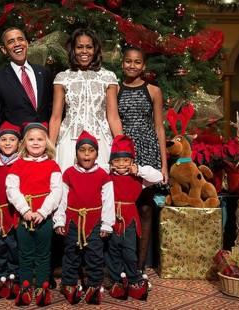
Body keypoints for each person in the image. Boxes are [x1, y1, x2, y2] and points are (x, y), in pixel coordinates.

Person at [117, 46, 168, 271]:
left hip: (147, 152)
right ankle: (121, 261)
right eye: (128, 61)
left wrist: (164, 165)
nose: (132, 65)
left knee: (145, 207)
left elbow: (159, 127)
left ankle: (140, 265)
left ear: (143, 66)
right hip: (124, 154)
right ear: (122, 63)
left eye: (137, 62)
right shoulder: (115, 89)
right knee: (123, 205)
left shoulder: (153, 90)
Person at [53, 130, 115, 305]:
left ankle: (94, 285)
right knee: (71, 254)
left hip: (94, 222)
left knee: (95, 255)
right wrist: (59, 219)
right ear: (76, 153)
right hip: (73, 221)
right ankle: (69, 284)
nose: (86, 154)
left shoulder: (103, 175)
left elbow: (108, 201)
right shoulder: (68, 174)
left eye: (91, 150)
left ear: (97, 153)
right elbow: (62, 199)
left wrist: (107, 224)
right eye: (82, 150)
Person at [49, 28, 123, 172]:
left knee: (101, 187)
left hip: (101, 140)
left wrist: (122, 146)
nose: (84, 51)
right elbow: (56, 117)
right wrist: (50, 149)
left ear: (95, 49)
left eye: (89, 47)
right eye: (79, 47)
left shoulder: (108, 77)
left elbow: (113, 117)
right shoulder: (62, 77)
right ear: (73, 49)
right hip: (69, 140)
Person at [5, 122, 62, 307]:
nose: (36, 143)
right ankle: (26, 286)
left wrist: (42, 212)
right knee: (25, 252)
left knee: (44, 254)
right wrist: (25, 210)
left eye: (40, 139)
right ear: (24, 143)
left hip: (43, 218)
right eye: (31, 139)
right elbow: (12, 190)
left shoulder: (53, 165)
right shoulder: (17, 165)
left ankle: (42, 287)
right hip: (24, 217)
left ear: (47, 142)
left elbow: (56, 191)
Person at [105, 135, 162, 301]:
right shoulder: (107, 177)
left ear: (131, 162)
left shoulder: (138, 179)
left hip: (130, 219)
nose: (121, 164)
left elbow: (158, 177)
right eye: (117, 161)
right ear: (111, 162)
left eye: (125, 160)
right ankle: (117, 281)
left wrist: (139, 170)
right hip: (112, 218)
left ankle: (134, 279)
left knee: (129, 251)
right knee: (113, 250)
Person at [0, 27, 54, 136]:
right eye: (11, 42)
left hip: (44, 142)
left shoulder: (44, 73)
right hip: (16, 146)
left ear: (27, 43)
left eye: (20, 39)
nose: (17, 44)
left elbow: (51, 109)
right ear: (4, 49)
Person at [0, 121, 22, 300]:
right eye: (4, 139)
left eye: (12, 139)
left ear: (19, 143)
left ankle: (14, 279)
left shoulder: (21, 163)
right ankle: (0, 278)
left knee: (14, 247)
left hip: (13, 213)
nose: (8, 143)